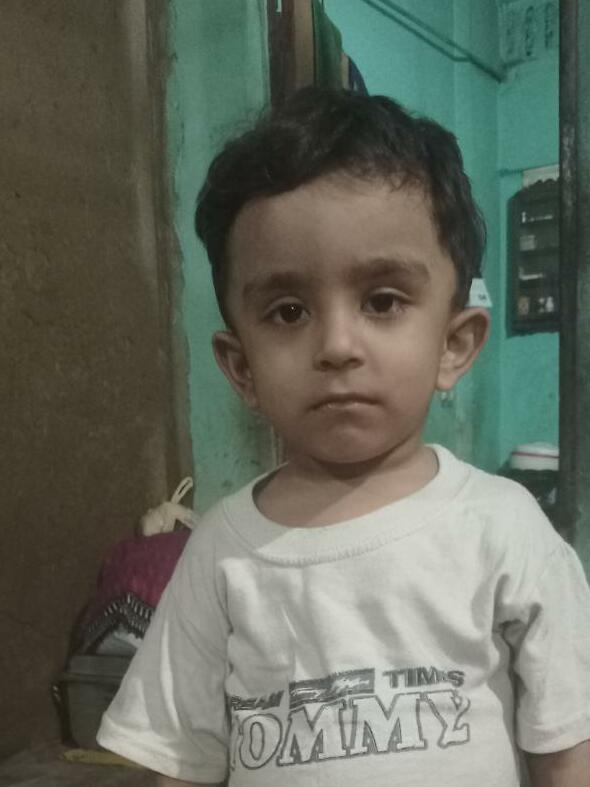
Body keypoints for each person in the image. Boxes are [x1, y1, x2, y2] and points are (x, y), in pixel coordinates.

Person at [97, 88, 590, 786]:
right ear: (242, 367)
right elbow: (180, 762)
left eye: (383, 301)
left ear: (454, 344)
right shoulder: (222, 554)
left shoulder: (504, 529)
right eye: (288, 311)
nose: (336, 345)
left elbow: (567, 744)